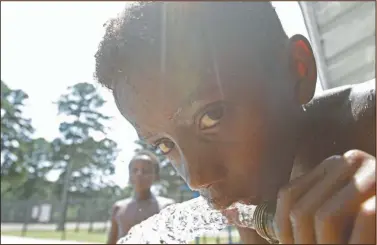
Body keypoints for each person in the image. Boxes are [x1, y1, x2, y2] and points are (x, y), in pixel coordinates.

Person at [96, 2, 375, 244]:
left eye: (212, 115)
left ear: (297, 68)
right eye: (165, 144)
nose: (197, 178)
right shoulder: (257, 206)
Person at [106, 152, 175, 244]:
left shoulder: (166, 207)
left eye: (146, 171)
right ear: (129, 176)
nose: (139, 174)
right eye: (135, 170)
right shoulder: (118, 208)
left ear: (156, 176)